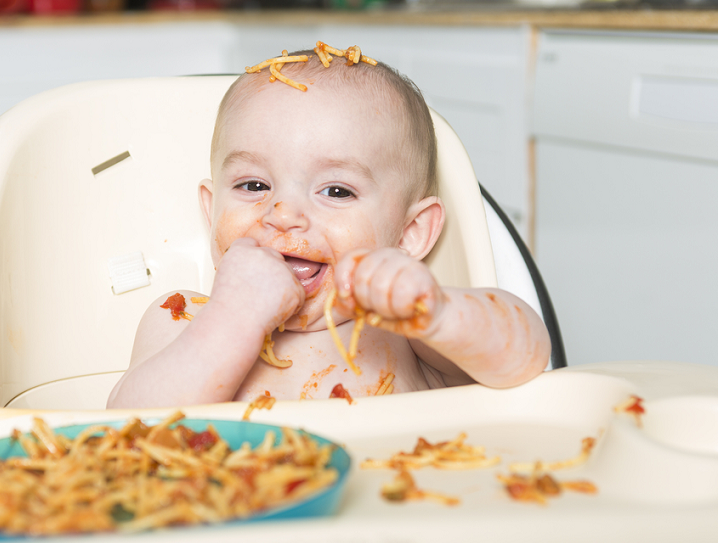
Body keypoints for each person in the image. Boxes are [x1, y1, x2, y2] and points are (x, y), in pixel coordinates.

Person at [107, 45, 551, 409]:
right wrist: (234, 315)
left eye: (337, 191)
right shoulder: (184, 318)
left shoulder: (401, 332)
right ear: (211, 211)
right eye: (253, 184)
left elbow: (527, 359)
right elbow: (126, 429)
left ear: (410, 232)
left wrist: (435, 313)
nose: (282, 214)